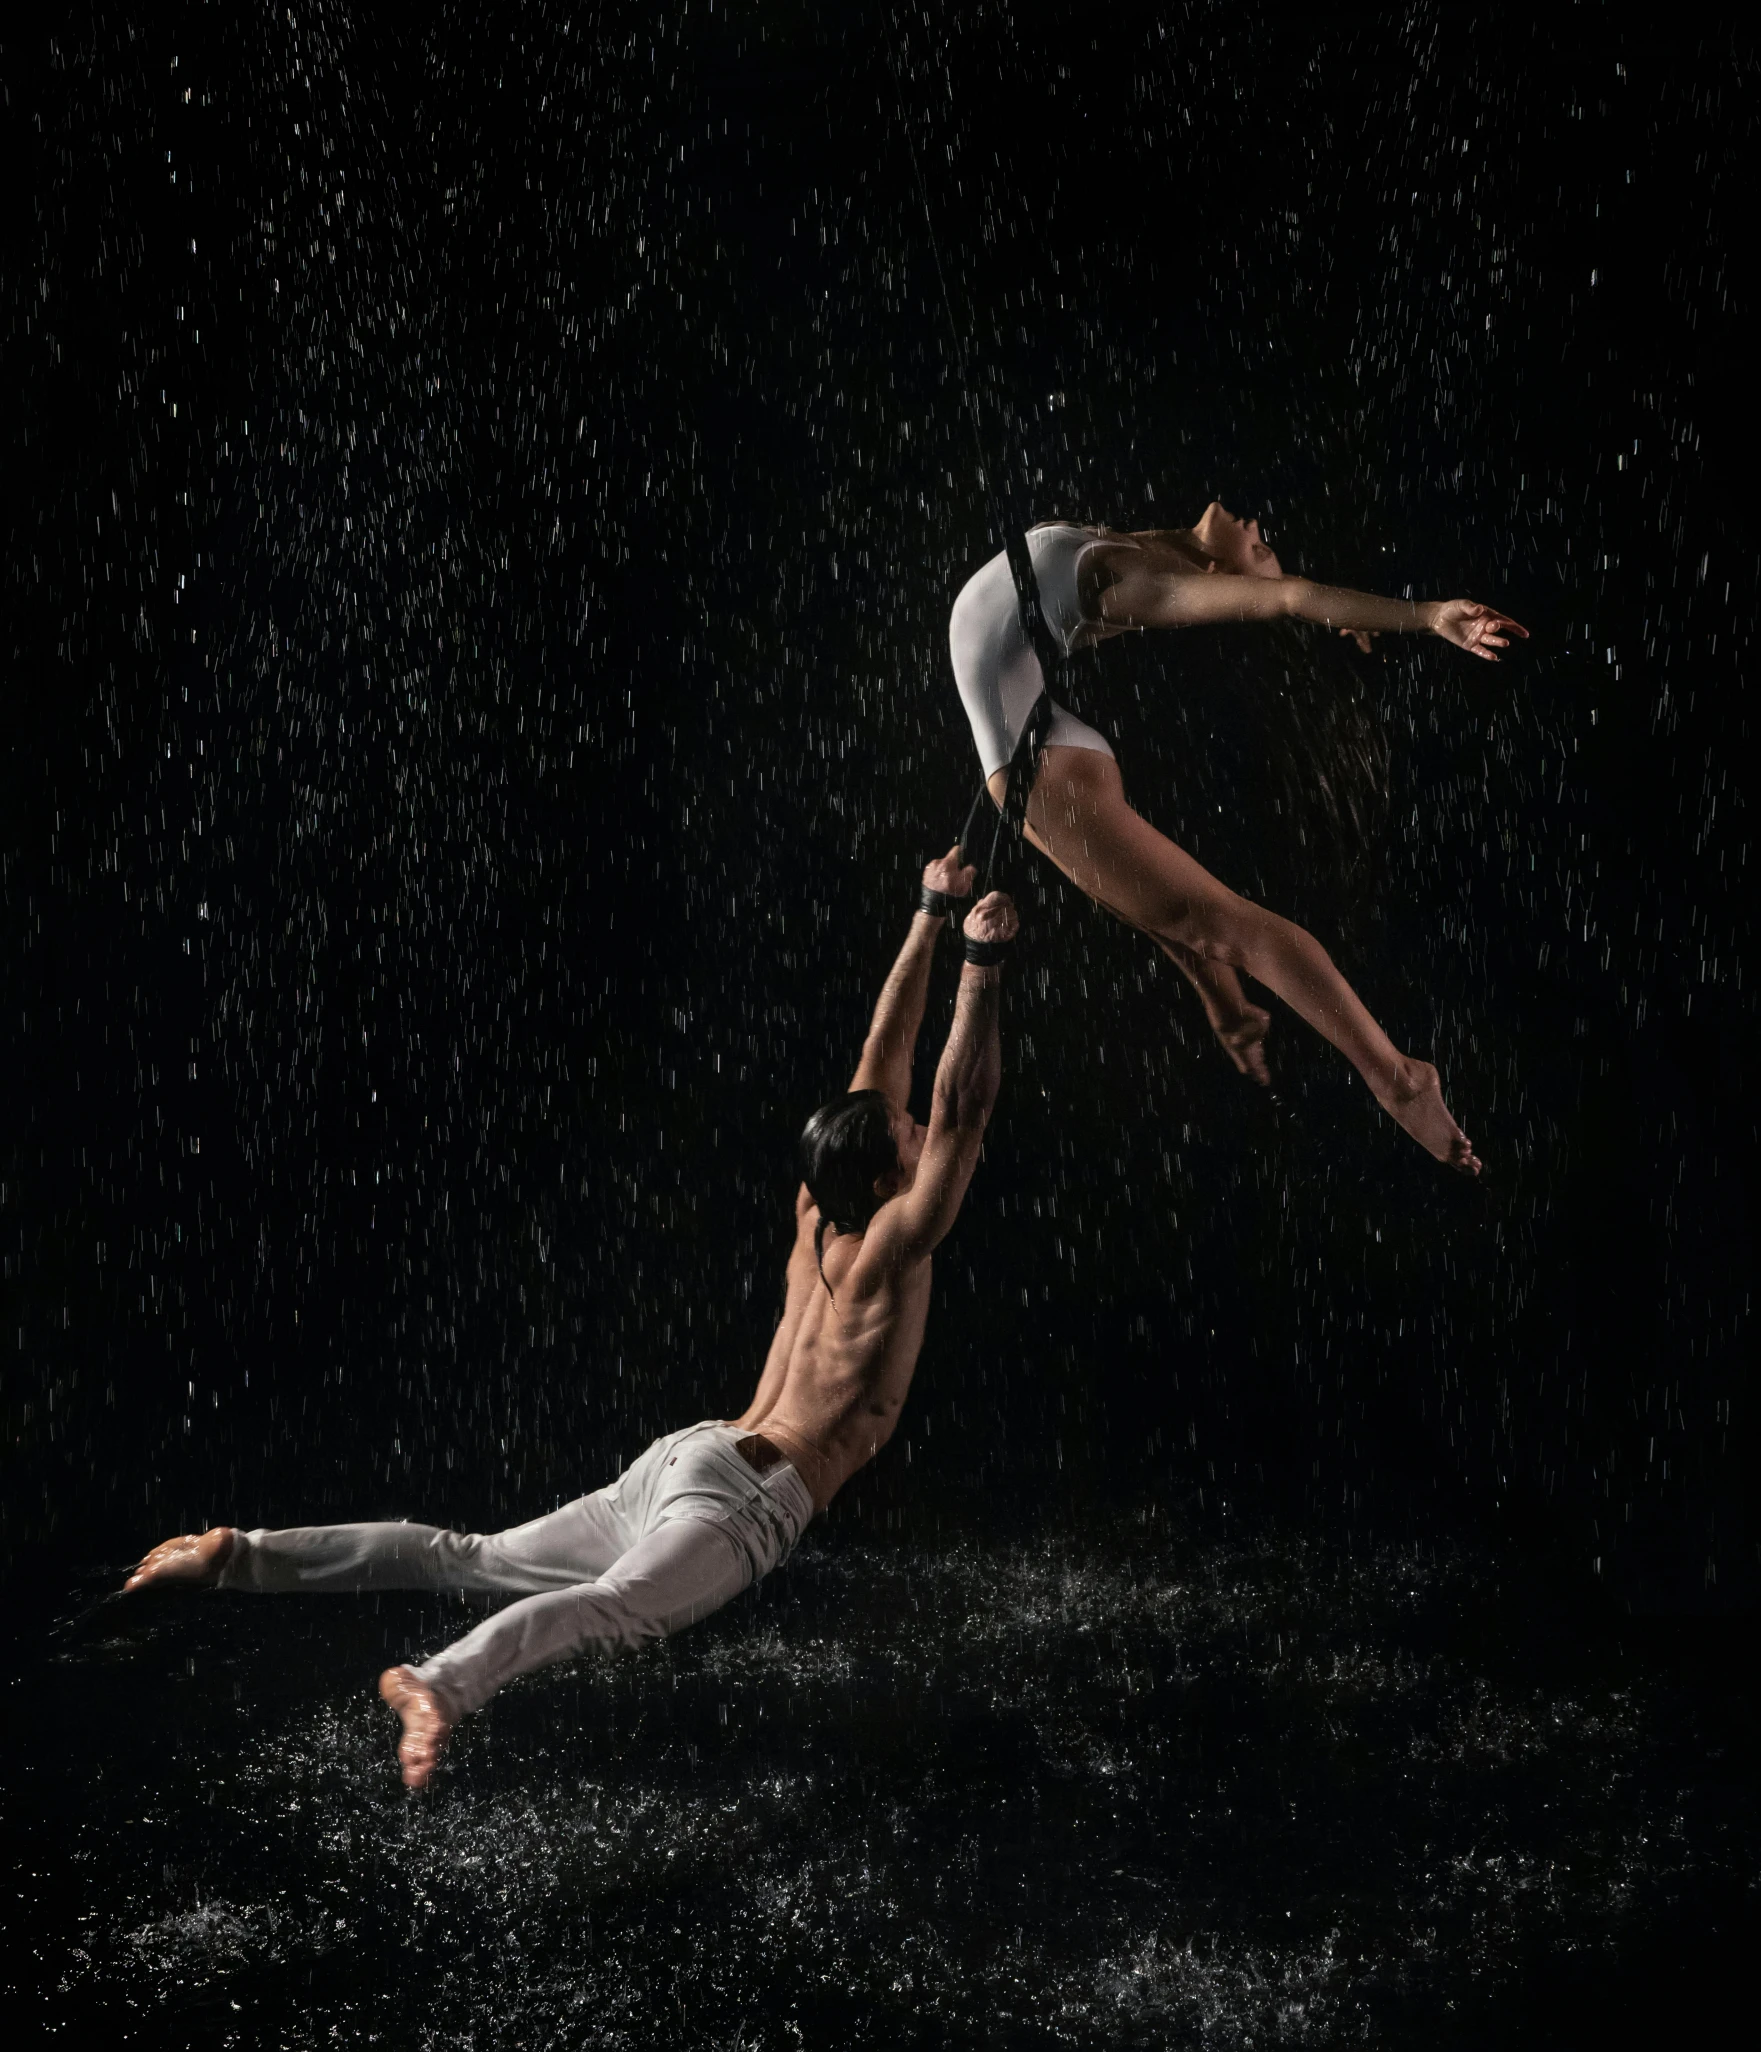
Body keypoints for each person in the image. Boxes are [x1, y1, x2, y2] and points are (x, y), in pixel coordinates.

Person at [124, 854, 1017, 1787]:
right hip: (751, 1493)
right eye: (905, 1140)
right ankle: (440, 1685)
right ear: (886, 1180)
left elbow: (881, 1059)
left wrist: (927, 913)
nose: (916, 1129)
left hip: (693, 1453)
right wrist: (982, 966)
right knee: (613, 1609)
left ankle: (234, 1555)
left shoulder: (816, 1205)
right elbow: (962, 1107)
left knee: (465, 1556)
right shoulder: (891, 1250)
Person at [948, 504, 1528, 1174]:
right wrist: (1351, 612)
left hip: (1034, 762)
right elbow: (1282, 588)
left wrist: (1424, 616)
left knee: (1226, 928)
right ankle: (1229, 1013)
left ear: (1220, 576)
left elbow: (1286, 596)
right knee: (1162, 913)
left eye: (1261, 546)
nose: (1257, 526)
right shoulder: (1142, 543)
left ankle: (1396, 1076)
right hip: (1033, 737)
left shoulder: (1128, 581)